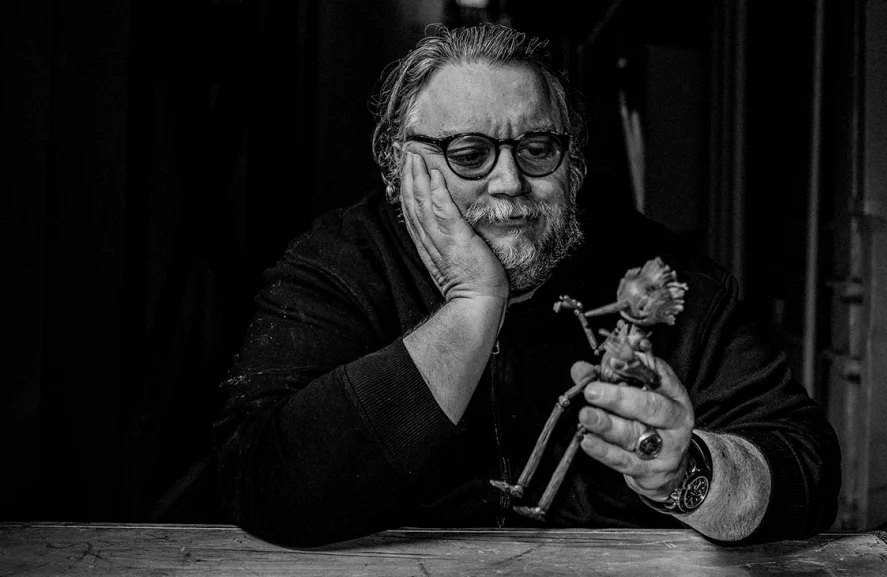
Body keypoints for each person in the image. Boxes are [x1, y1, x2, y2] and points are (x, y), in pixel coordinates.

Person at [214, 23, 840, 547]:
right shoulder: (337, 267)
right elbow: (263, 483)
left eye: (538, 147)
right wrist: (472, 307)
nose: (510, 183)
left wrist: (690, 475)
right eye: (469, 153)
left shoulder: (661, 272)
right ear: (402, 165)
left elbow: (806, 468)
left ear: (575, 164)